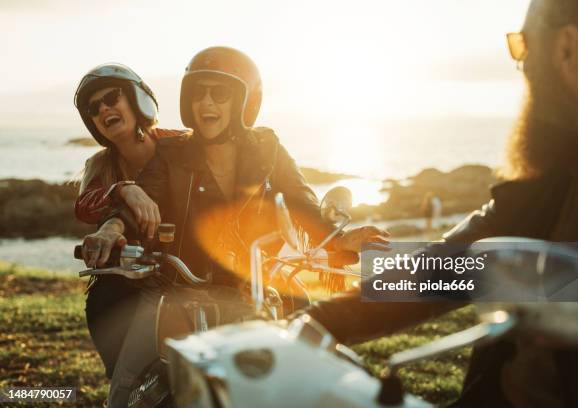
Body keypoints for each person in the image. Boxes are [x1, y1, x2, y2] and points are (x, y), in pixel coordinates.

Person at [295, 0, 578, 406]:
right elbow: (439, 271)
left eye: (523, 46)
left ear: (567, 48)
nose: (522, 65)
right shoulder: (553, 187)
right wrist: (319, 320)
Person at [82, 47, 390, 407]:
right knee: (124, 393)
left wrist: (335, 238)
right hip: (175, 291)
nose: (206, 102)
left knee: (302, 372)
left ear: (245, 100)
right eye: (198, 93)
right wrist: (110, 229)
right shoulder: (171, 153)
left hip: (251, 289)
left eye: (219, 93)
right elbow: (140, 204)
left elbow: (301, 201)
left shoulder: (267, 148)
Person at [73, 63, 188, 382]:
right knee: (126, 379)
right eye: (94, 108)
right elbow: (84, 206)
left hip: (191, 278)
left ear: (139, 99)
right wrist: (124, 189)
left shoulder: (182, 145)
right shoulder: (99, 164)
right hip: (125, 285)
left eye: (112, 97)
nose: (104, 109)